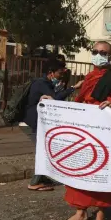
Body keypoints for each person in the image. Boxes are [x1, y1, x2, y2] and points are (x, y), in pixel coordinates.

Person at [56, 41, 111, 220]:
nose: (98, 54)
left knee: (101, 169)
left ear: (110, 56)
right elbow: (79, 100)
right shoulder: (89, 76)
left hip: (104, 129)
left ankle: (101, 213)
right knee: (81, 167)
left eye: (103, 52)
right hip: (85, 128)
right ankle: (81, 211)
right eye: (95, 51)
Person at [24, 61, 83, 191]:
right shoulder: (42, 83)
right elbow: (55, 99)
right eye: (60, 73)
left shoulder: (44, 83)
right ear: (51, 73)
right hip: (33, 122)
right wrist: (73, 88)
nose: (61, 76)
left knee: (45, 149)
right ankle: (34, 182)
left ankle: (43, 178)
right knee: (44, 151)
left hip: (36, 121)